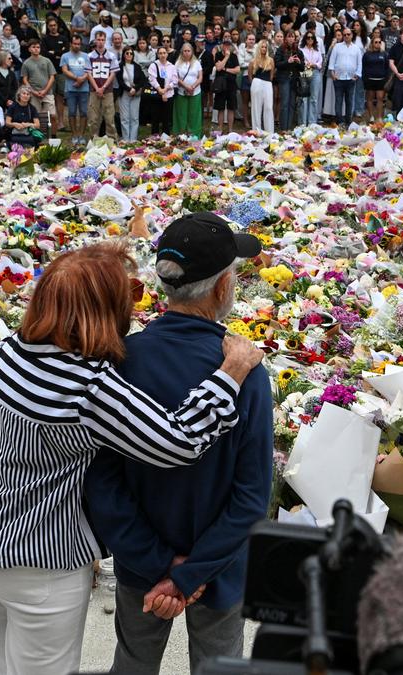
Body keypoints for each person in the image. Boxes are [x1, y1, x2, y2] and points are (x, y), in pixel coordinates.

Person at [0, 240, 263, 675]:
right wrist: (234, 371)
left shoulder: (8, 353)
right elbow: (180, 442)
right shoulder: (89, 385)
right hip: (37, 557)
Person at [87, 211, 271, 673]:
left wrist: (159, 566)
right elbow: (251, 498)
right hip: (219, 568)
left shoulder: (121, 360)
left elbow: (102, 483)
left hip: (139, 563)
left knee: (132, 662)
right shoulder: (243, 370)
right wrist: (189, 575)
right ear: (223, 287)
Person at [85, 32, 118, 139]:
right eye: (98, 39)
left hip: (107, 91)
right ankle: (93, 142)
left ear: (105, 40)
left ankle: (112, 142)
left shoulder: (111, 56)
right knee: (93, 119)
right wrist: (97, 88)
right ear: (95, 40)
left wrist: (103, 88)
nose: (100, 42)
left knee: (109, 119)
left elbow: (113, 73)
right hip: (94, 91)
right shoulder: (89, 56)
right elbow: (89, 74)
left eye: (102, 40)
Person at [22, 39, 57, 135]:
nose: (36, 49)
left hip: (47, 92)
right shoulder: (26, 63)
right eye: (33, 47)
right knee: (36, 116)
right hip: (34, 94)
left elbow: (52, 77)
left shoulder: (47, 61)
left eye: (38, 47)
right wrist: (33, 91)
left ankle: (53, 137)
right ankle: (38, 136)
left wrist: (45, 90)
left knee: (52, 115)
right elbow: (25, 79)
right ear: (29, 49)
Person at [60, 35, 90, 144]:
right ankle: (74, 135)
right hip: (70, 88)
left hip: (84, 89)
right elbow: (64, 70)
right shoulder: (65, 56)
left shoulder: (86, 56)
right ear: (71, 44)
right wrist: (77, 78)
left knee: (84, 112)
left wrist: (82, 80)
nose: (77, 46)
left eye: (78, 44)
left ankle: (81, 135)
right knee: (71, 112)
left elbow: (89, 71)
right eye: (75, 44)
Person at [117, 46, 147, 141]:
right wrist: (129, 89)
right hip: (124, 94)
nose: (129, 55)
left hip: (135, 95)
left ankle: (133, 139)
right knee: (125, 118)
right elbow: (120, 81)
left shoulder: (137, 66)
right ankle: (126, 140)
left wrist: (135, 88)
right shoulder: (120, 66)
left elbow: (143, 80)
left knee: (134, 118)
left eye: (131, 53)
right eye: (127, 53)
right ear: (123, 54)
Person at [173, 42, 202, 137]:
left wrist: (192, 87)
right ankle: (181, 134)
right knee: (181, 113)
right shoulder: (178, 63)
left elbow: (200, 77)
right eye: (184, 51)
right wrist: (186, 86)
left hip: (195, 91)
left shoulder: (197, 63)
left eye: (188, 51)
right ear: (182, 52)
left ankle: (194, 134)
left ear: (192, 52)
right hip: (182, 92)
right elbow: (176, 77)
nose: (186, 53)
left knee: (194, 114)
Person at [212, 39, 240, 134]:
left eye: (229, 45)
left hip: (231, 84)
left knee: (231, 108)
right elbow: (218, 67)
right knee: (220, 107)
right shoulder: (218, 55)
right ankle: (220, 128)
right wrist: (226, 57)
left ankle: (230, 129)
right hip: (220, 85)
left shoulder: (234, 56)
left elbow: (237, 70)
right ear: (222, 45)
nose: (227, 47)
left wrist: (226, 69)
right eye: (225, 45)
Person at [246, 40, 274, 133]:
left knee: (269, 107)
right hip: (256, 83)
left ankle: (269, 132)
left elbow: (271, 75)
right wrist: (254, 83)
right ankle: (256, 131)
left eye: (265, 47)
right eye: (262, 47)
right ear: (259, 48)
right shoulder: (253, 61)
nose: (264, 49)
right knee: (256, 108)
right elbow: (249, 75)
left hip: (267, 84)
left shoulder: (270, 60)